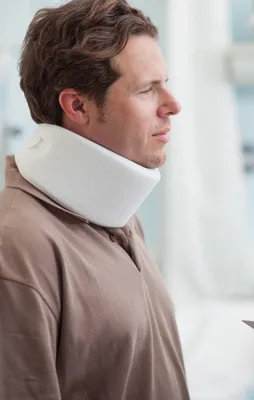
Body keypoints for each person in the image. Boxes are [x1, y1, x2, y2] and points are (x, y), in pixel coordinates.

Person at [0, 0, 189, 399]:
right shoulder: (17, 247)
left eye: (165, 83)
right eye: (146, 90)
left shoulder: (119, 218)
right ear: (78, 106)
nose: (172, 105)